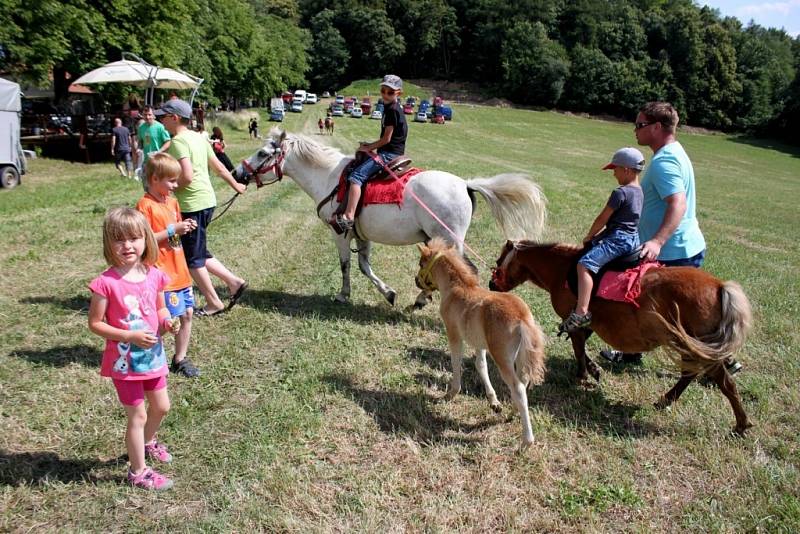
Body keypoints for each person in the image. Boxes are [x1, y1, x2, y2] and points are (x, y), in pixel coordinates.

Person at [601, 102, 741, 374]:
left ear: (656, 127)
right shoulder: (674, 152)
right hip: (683, 245)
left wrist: (657, 241)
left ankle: (723, 363)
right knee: (658, 307)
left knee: (679, 314)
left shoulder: (665, 162)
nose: (635, 130)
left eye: (640, 125)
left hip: (672, 251)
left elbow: (678, 203)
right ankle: (632, 353)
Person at [88, 207, 180, 491]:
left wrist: (167, 321)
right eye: (119, 239)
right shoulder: (106, 283)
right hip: (125, 364)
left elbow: (160, 308)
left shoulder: (154, 275)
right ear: (108, 243)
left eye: (134, 238)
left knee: (162, 406)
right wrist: (130, 335)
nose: (127, 245)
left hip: (153, 357)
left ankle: (148, 442)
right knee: (138, 415)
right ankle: (138, 472)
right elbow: (95, 324)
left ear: (146, 240)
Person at [157, 99, 247, 316]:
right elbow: (219, 167)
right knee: (198, 251)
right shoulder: (198, 138)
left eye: (164, 117)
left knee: (192, 259)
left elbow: (186, 175)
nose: (162, 121)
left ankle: (214, 302)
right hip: (207, 202)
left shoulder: (179, 141)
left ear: (175, 118)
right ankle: (234, 282)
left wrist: (167, 190)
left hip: (192, 205)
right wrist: (237, 185)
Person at [560, 147, 644, 333]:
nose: (613, 173)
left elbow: (602, 219)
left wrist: (590, 235)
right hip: (633, 238)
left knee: (584, 264)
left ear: (627, 170)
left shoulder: (620, 193)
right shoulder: (640, 191)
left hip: (618, 239)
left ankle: (581, 312)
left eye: (615, 169)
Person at [135, 153, 201, 378]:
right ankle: (151, 358)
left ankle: (180, 358)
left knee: (188, 314)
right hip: (162, 274)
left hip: (180, 270)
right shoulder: (145, 206)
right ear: (154, 179)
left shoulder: (172, 202)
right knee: (166, 321)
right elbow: (144, 239)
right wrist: (174, 229)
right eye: (171, 181)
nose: (176, 185)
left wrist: (184, 226)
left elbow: (174, 232)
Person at [329, 74, 407, 232]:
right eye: (383, 90)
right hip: (392, 150)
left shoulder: (392, 110)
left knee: (356, 177)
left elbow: (386, 139)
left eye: (390, 92)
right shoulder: (392, 107)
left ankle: (349, 217)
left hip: (389, 154)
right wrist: (370, 145)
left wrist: (368, 148)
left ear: (399, 94)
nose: (385, 94)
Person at [137, 105, 172, 185]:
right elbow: (140, 141)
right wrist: (139, 148)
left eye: (149, 114)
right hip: (147, 161)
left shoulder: (160, 127)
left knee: (160, 185)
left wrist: (159, 151)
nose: (147, 117)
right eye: (145, 115)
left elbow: (168, 142)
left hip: (159, 161)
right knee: (147, 185)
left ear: (154, 115)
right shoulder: (141, 128)